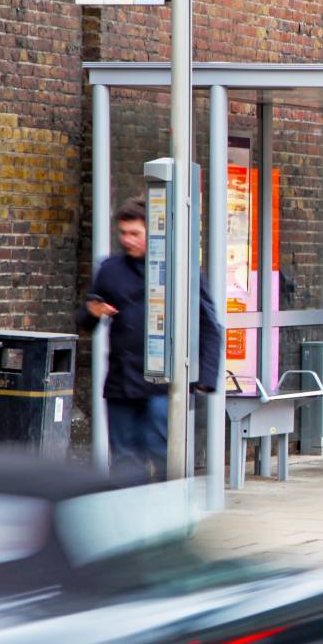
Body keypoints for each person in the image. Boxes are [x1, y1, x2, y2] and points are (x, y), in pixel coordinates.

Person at [77, 197, 223, 485]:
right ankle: (130, 518)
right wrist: (91, 312)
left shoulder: (181, 271)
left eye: (135, 233)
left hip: (164, 384)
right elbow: (85, 321)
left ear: (152, 234)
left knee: (161, 453)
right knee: (124, 460)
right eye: (123, 233)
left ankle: (165, 512)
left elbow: (209, 324)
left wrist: (205, 376)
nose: (127, 240)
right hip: (121, 380)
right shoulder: (110, 269)